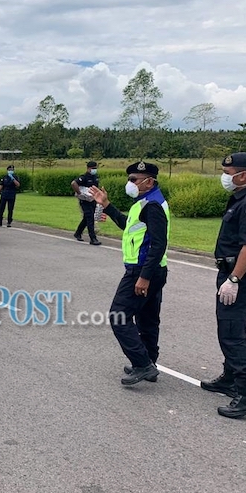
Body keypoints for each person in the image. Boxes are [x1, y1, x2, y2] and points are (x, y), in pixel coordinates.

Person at [201, 152, 246, 419]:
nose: (224, 177)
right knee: (233, 328)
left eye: (228, 173)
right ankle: (231, 377)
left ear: (243, 175)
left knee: (231, 333)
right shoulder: (240, 199)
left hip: (239, 276)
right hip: (231, 273)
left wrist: (234, 279)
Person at [89, 161, 169, 386]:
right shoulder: (145, 202)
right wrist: (106, 205)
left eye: (134, 179)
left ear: (149, 181)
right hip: (153, 269)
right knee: (147, 319)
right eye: (129, 179)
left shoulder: (152, 205)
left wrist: (144, 277)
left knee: (119, 315)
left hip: (143, 270)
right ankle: (148, 362)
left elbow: (158, 244)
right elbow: (129, 225)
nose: (130, 183)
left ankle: (142, 364)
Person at [71, 160, 101, 245]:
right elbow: (73, 183)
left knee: (86, 218)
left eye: (96, 168)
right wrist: (80, 193)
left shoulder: (95, 177)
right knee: (90, 218)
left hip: (92, 199)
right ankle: (93, 238)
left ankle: (78, 233)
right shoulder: (84, 177)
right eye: (93, 168)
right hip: (85, 200)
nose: (94, 170)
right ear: (88, 168)